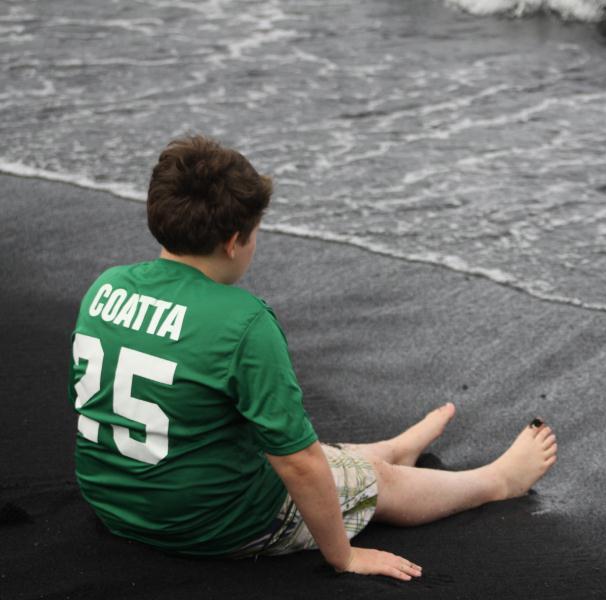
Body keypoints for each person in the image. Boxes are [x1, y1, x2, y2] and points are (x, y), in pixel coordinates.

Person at [69, 135, 558, 581]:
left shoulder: (105, 288)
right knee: (372, 480)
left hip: (116, 504)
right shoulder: (242, 322)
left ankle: (390, 447)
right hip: (213, 525)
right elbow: (298, 462)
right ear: (235, 241)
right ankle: (495, 480)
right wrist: (343, 556)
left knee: (290, 448)